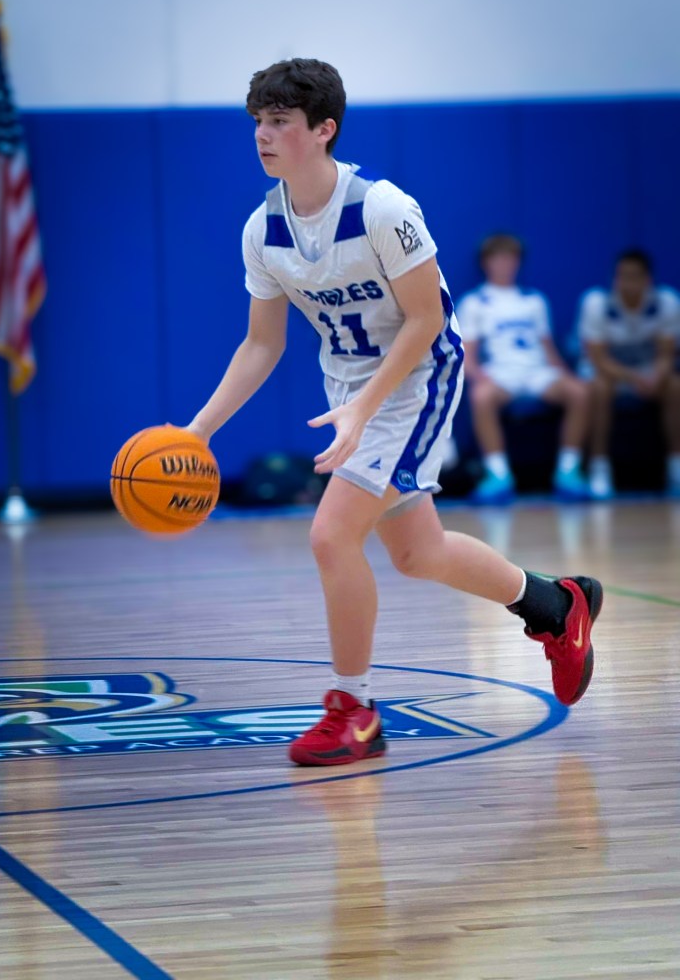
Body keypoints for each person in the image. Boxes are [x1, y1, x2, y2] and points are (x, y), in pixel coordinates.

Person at [186, 59, 602, 766]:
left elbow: (424, 319)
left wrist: (364, 413)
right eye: (258, 120)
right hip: (349, 387)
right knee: (418, 554)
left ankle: (354, 710)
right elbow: (261, 344)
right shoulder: (264, 229)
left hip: (418, 374)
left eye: (280, 120)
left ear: (324, 129)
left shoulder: (382, 208)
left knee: (330, 535)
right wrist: (195, 434)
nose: (263, 133)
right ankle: (557, 607)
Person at [457, 235, 591, 503]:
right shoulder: (475, 302)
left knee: (581, 392)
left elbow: (548, 348)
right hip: (500, 373)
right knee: (481, 396)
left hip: (537, 372)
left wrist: (565, 373)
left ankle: (568, 472)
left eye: (511, 258)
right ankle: (498, 475)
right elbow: (467, 356)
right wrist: (479, 377)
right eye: (499, 257)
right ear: (486, 263)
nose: (506, 263)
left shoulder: (534, 301)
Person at [577, 249, 680, 498]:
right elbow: (599, 359)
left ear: (647, 280)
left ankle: (676, 466)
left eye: (635, 276)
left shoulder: (667, 302)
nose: (628, 282)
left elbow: (667, 354)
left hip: (649, 372)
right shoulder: (596, 303)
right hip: (611, 373)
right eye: (622, 276)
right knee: (599, 388)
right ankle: (599, 466)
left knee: (675, 386)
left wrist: (657, 376)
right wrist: (635, 378)